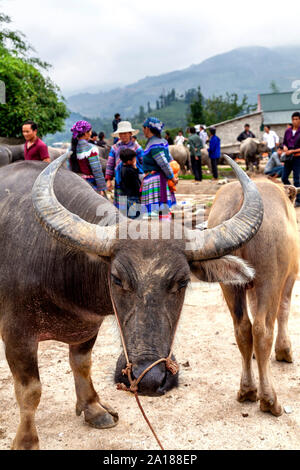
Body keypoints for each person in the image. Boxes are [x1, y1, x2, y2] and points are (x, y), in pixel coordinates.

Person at [141, 117, 177, 219]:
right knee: (157, 214)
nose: (143, 131)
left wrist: (171, 177)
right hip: (158, 179)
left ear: (147, 128)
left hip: (155, 182)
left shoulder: (154, 144)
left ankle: (160, 232)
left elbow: (164, 163)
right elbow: (170, 159)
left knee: (155, 213)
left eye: (143, 128)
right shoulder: (161, 142)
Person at [105, 121, 143, 208]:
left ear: (130, 133)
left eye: (125, 133)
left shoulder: (137, 147)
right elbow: (110, 164)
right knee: (122, 209)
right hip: (120, 181)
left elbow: (143, 163)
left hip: (133, 181)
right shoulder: (115, 148)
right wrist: (108, 180)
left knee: (133, 206)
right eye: (121, 134)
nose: (123, 136)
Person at [70, 120, 106, 195]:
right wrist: (101, 188)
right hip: (90, 183)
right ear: (86, 133)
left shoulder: (72, 148)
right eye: (90, 132)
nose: (90, 134)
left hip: (77, 182)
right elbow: (96, 169)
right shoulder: (91, 148)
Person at [116, 148, 142, 219]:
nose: (135, 160)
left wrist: (134, 167)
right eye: (134, 159)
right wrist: (140, 195)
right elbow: (136, 184)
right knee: (135, 217)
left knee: (127, 216)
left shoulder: (123, 169)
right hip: (133, 197)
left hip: (125, 195)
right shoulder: (131, 171)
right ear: (129, 161)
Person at [282, 111, 300, 207]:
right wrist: (285, 147)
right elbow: (284, 142)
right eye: (293, 119)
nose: (294, 121)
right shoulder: (288, 131)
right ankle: (292, 192)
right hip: (288, 158)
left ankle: (299, 200)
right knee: (284, 177)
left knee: (297, 179)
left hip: (297, 157)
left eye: (297, 119)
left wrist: (292, 151)